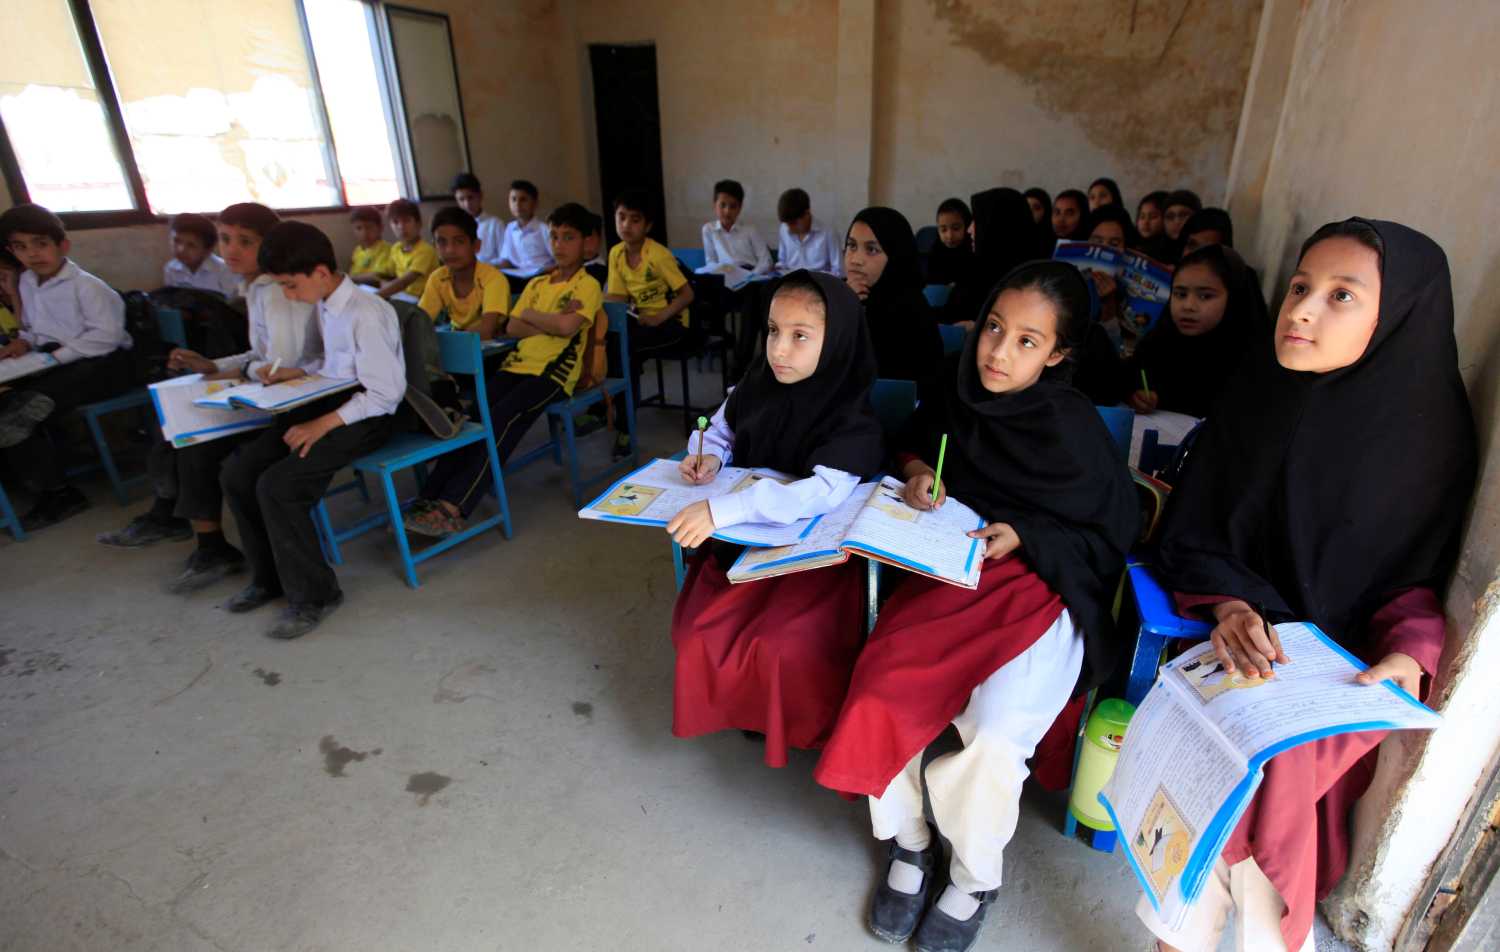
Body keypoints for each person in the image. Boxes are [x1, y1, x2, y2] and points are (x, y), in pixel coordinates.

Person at [1139, 219, 1476, 952]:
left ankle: (1248, 934)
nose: (1301, 311)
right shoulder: (1260, 391)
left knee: (1274, 767)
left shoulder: (1426, 432)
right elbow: (1197, 523)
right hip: (1236, 633)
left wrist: (1411, 654)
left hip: (1336, 658)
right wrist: (1230, 602)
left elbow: (1410, 578)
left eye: (1341, 296)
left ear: (1398, 316)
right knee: (1220, 758)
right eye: (1300, 287)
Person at [814, 261, 1136, 951]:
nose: (996, 351)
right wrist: (918, 474)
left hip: (1042, 590)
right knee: (878, 693)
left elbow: (1111, 536)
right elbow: (913, 445)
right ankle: (909, 841)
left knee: (994, 734)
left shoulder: (1073, 427)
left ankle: (972, 874)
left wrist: (1029, 532)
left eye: (1026, 340)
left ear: (1057, 354)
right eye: (994, 327)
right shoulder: (957, 390)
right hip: (950, 579)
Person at [667, 270, 885, 768]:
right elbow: (719, 430)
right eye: (772, 331)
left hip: (813, 562)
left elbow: (818, 492)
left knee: (782, 643)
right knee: (698, 634)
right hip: (746, 546)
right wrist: (709, 457)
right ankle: (747, 709)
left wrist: (725, 507)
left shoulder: (851, 413)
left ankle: (791, 727)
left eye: (800, 336)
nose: (779, 350)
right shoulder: (755, 386)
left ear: (836, 344)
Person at [99, 203, 322, 601]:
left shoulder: (277, 291)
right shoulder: (254, 288)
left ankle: (209, 544)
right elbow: (258, 355)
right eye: (225, 239)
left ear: (270, 246)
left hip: (289, 401)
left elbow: (279, 366)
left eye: (246, 242)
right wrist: (212, 366)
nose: (232, 249)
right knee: (184, 429)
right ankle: (204, 541)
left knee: (199, 442)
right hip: (269, 391)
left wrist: (235, 372)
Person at [220, 221, 405, 640]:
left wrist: (321, 423)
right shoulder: (323, 304)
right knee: (238, 473)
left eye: (289, 285)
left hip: (368, 415)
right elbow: (328, 362)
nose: (287, 295)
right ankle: (267, 579)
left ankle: (316, 596)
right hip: (330, 399)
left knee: (278, 486)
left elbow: (386, 393)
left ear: (321, 272)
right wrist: (295, 373)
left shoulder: (367, 312)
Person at [404, 203, 601, 538]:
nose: (559, 244)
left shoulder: (588, 284)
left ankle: (455, 506)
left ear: (587, 243)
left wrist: (537, 318)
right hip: (517, 365)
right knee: (472, 418)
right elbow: (511, 326)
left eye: (568, 237)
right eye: (554, 236)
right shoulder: (539, 283)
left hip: (552, 375)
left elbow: (568, 328)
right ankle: (429, 497)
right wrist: (550, 321)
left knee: (502, 419)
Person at [0, 203, 132, 530]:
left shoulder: (87, 286)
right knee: (8, 404)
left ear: (63, 245)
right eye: (20, 247)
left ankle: (60, 496)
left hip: (103, 365)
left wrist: (56, 357)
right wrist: (25, 342)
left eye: (40, 243)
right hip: (54, 361)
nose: (32, 254)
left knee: (21, 412)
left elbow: (108, 337)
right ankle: (45, 483)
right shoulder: (29, 282)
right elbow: (35, 327)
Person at [1124, 244, 1264, 417]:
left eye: (1205, 296)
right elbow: (1131, 380)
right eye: (1180, 294)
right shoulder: (1156, 346)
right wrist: (1135, 396)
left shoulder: (1250, 361)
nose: (1188, 306)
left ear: (1234, 299)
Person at [605, 188, 694, 457]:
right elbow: (617, 297)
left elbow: (687, 294)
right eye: (621, 217)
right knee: (613, 343)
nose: (626, 225)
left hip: (672, 322)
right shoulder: (616, 254)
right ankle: (610, 409)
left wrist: (659, 316)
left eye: (634, 220)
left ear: (648, 225)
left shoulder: (658, 254)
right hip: (639, 321)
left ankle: (624, 426)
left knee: (626, 351)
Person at [843, 207, 942, 400]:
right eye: (851, 245)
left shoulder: (912, 314)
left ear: (896, 256)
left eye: (871, 249)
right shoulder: (838, 298)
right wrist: (844, 307)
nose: (855, 260)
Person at [943, 188, 1040, 328]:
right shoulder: (976, 270)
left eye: (977, 221)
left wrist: (979, 329)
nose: (969, 229)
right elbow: (950, 315)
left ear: (998, 225)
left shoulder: (1027, 283)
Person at [417, 205, 510, 340]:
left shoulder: (493, 278)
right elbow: (419, 323)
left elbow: (486, 331)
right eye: (442, 242)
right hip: (458, 341)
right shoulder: (438, 278)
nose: (449, 250)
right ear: (434, 247)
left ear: (476, 246)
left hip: (490, 350)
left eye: (459, 241)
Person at [701, 178, 772, 274]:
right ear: (714, 205)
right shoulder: (709, 229)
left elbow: (766, 261)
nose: (727, 211)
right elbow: (711, 262)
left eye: (733, 206)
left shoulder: (750, 230)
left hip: (750, 275)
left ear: (740, 208)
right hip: (724, 276)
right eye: (722, 205)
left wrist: (750, 277)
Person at [162, 213, 238, 297]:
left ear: (207, 250)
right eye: (177, 241)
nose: (181, 249)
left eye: (191, 245)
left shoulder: (224, 270)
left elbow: (232, 302)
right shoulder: (171, 269)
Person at [379, 199, 438, 300]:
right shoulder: (396, 248)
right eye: (395, 222)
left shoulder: (425, 250)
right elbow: (387, 273)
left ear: (418, 224)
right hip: (404, 297)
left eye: (406, 221)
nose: (401, 227)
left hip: (423, 300)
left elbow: (404, 282)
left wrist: (375, 296)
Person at [775, 187, 841, 275]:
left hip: (819, 284)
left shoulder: (828, 233)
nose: (790, 228)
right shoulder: (784, 229)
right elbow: (782, 263)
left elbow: (839, 271)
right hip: (791, 282)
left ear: (807, 213)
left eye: (793, 223)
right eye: (787, 224)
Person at [497, 179, 555, 274]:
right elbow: (506, 260)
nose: (517, 204)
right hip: (519, 275)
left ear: (535, 203)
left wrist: (545, 271)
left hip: (542, 275)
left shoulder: (544, 229)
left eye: (523, 199)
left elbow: (558, 259)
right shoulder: (510, 229)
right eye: (513, 199)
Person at [451, 172, 504, 266]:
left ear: (480, 196)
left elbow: (504, 259)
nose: (467, 204)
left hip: (490, 274)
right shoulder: (454, 227)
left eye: (470, 198)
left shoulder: (495, 224)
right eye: (461, 199)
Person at [925, 197, 975, 287]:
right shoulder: (935, 252)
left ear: (967, 226)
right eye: (943, 230)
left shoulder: (973, 251)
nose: (949, 236)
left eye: (956, 228)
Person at [348, 206, 395, 287]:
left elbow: (377, 276)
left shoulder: (387, 250)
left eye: (369, 227)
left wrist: (352, 278)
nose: (364, 233)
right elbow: (353, 274)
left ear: (380, 228)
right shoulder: (357, 251)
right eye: (359, 228)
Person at [1135, 190, 1175, 261]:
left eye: (1153, 217)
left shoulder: (1172, 251)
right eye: (1142, 216)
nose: (1145, 222)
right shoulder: (1130, 244)